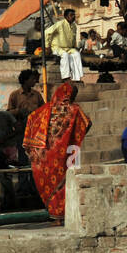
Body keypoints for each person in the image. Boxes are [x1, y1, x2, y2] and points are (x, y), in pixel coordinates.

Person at [22, 82, 91, 220]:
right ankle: (62, 214)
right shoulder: (74, 110)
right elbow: (87, 123)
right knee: (64, 183)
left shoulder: (44, 110)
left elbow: (30, 119)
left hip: (44, 157)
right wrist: (71, 136)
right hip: (64, 155)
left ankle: (54, 214)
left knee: (50, 185)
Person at [45, 8, 83, 82]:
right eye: (71, 15)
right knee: (65, 55)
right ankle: (65, 78)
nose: (73, 17)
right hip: (57, 48)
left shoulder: (74, 26)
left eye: (74, 15)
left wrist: (75, 47)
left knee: (77, 54)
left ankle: (76, 78)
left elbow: (73, 39)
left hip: (69, 48)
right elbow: (46, 32)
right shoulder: (60, 24)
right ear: (66, 16)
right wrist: (47, 46)